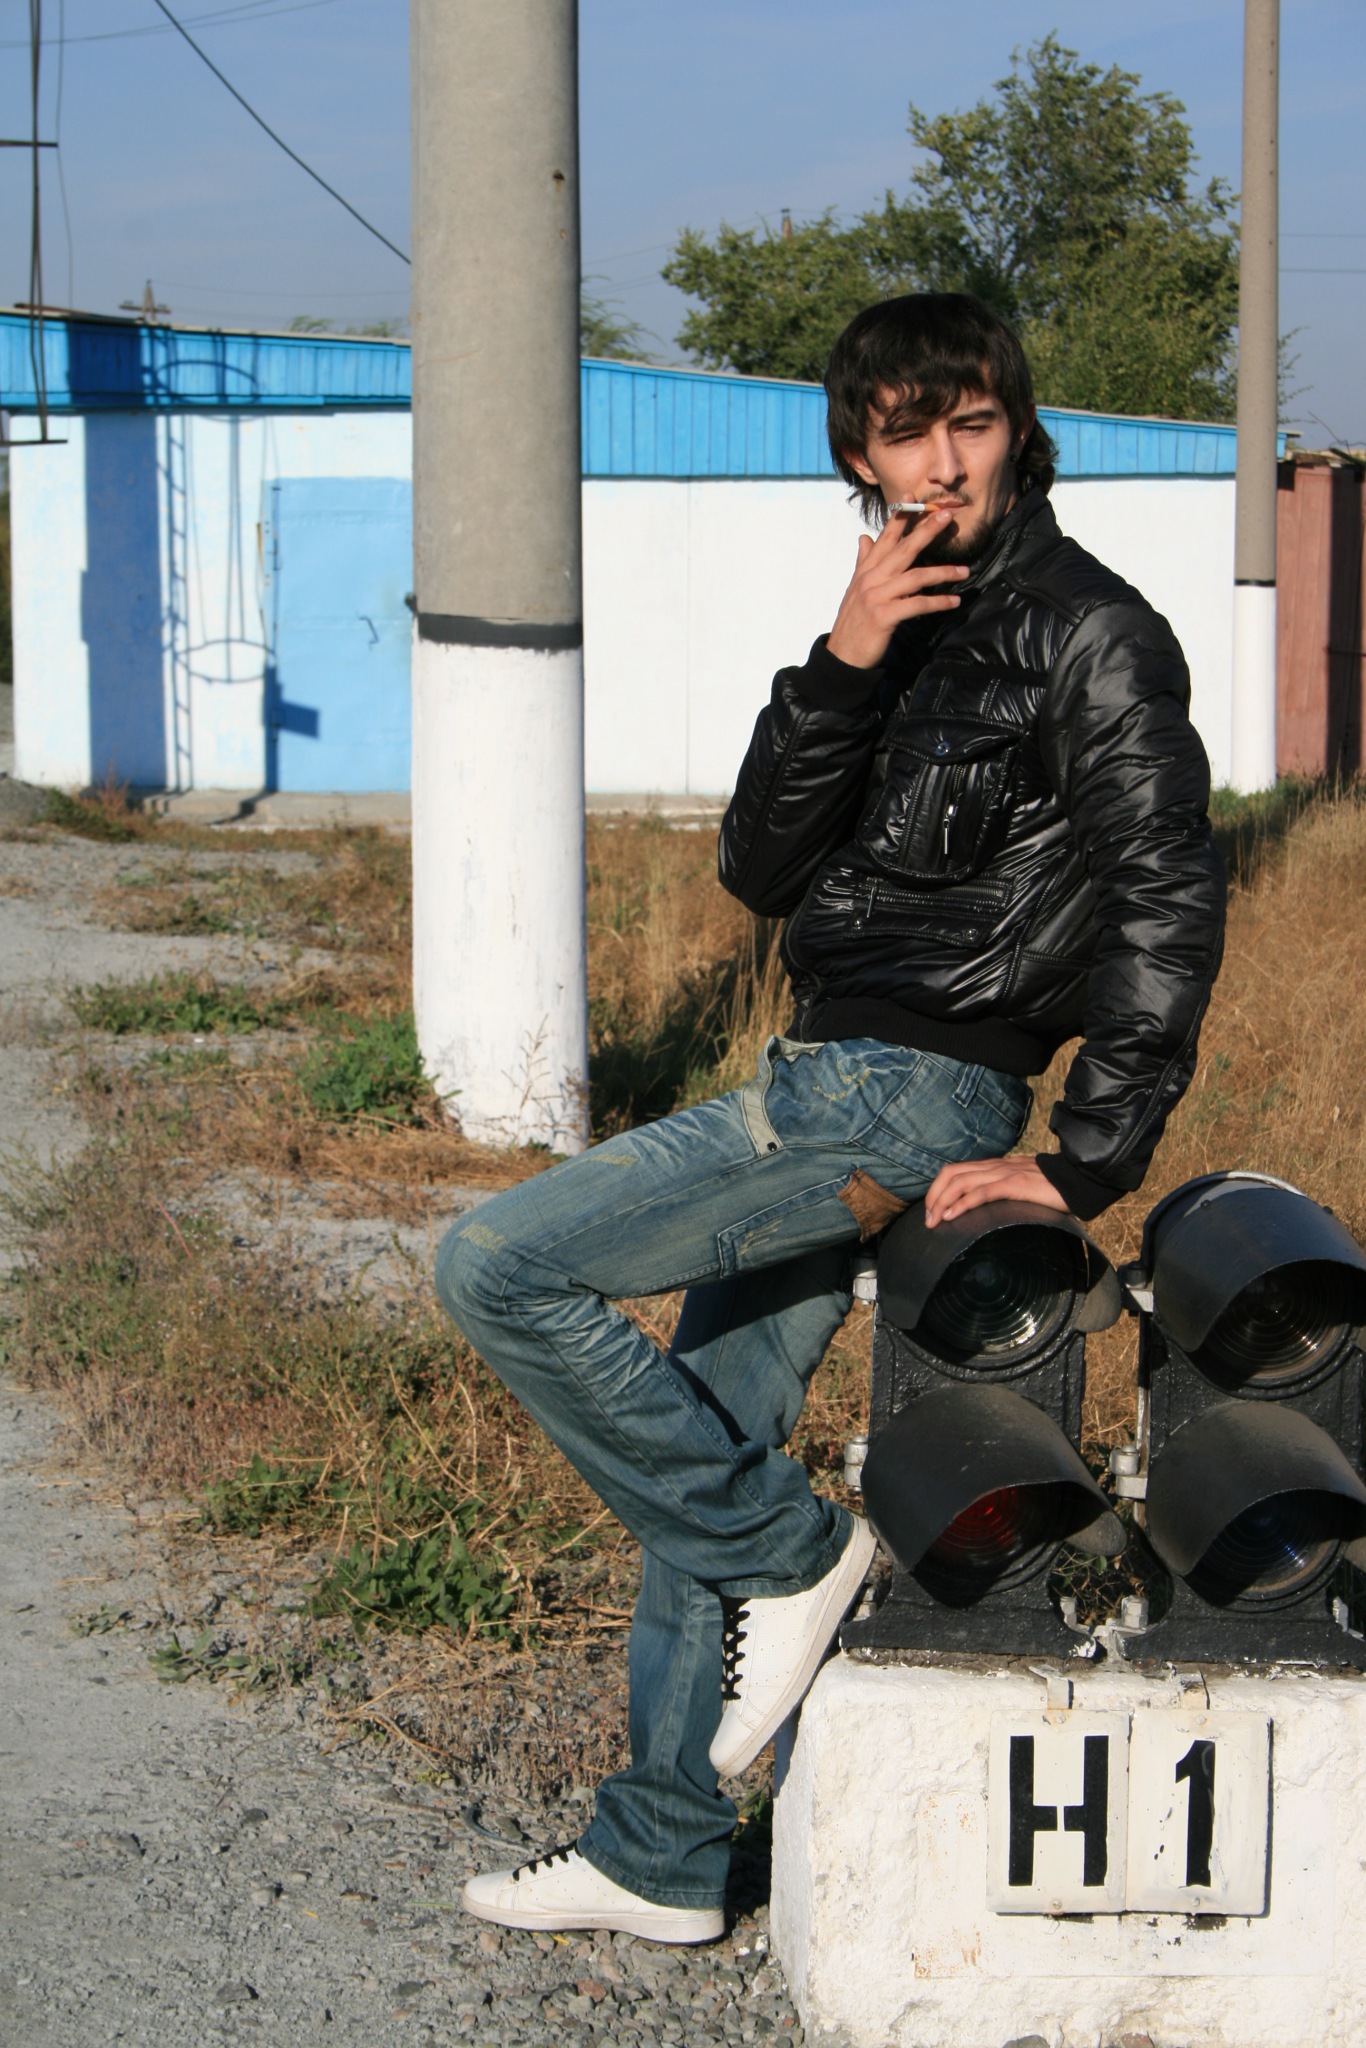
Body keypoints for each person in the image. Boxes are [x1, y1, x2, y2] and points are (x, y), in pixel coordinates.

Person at [435, 292, 1226, 1944]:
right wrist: (845, 661)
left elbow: (1165, 893)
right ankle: (662, 1859)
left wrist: (1084, 1155)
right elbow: (759, 866)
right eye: (900, 435)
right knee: (700, 1439)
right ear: (857, 456)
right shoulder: (882, 626)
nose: (937, 466)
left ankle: (794, 1553)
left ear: (1016, 433)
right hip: (818, 1070)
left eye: (969, 426)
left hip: (902, 1095)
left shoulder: (1089, 630)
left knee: (496, 1264)